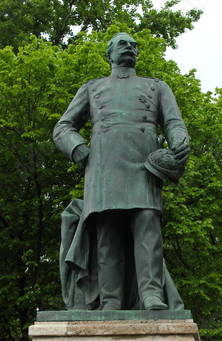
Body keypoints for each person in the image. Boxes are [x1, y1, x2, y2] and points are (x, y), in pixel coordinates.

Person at [53, 32, 190, 311]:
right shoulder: (92, 88)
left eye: (133, 45)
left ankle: (151, 295)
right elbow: (63, 127)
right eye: (122, 44)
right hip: (104, 168)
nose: (129, 48)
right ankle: (111, 300)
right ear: (110, 54)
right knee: (108, 235)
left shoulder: (157, 86)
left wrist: (179, 142)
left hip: (145, 167)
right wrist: (77, 147)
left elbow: (174, 123)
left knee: (148, 230)